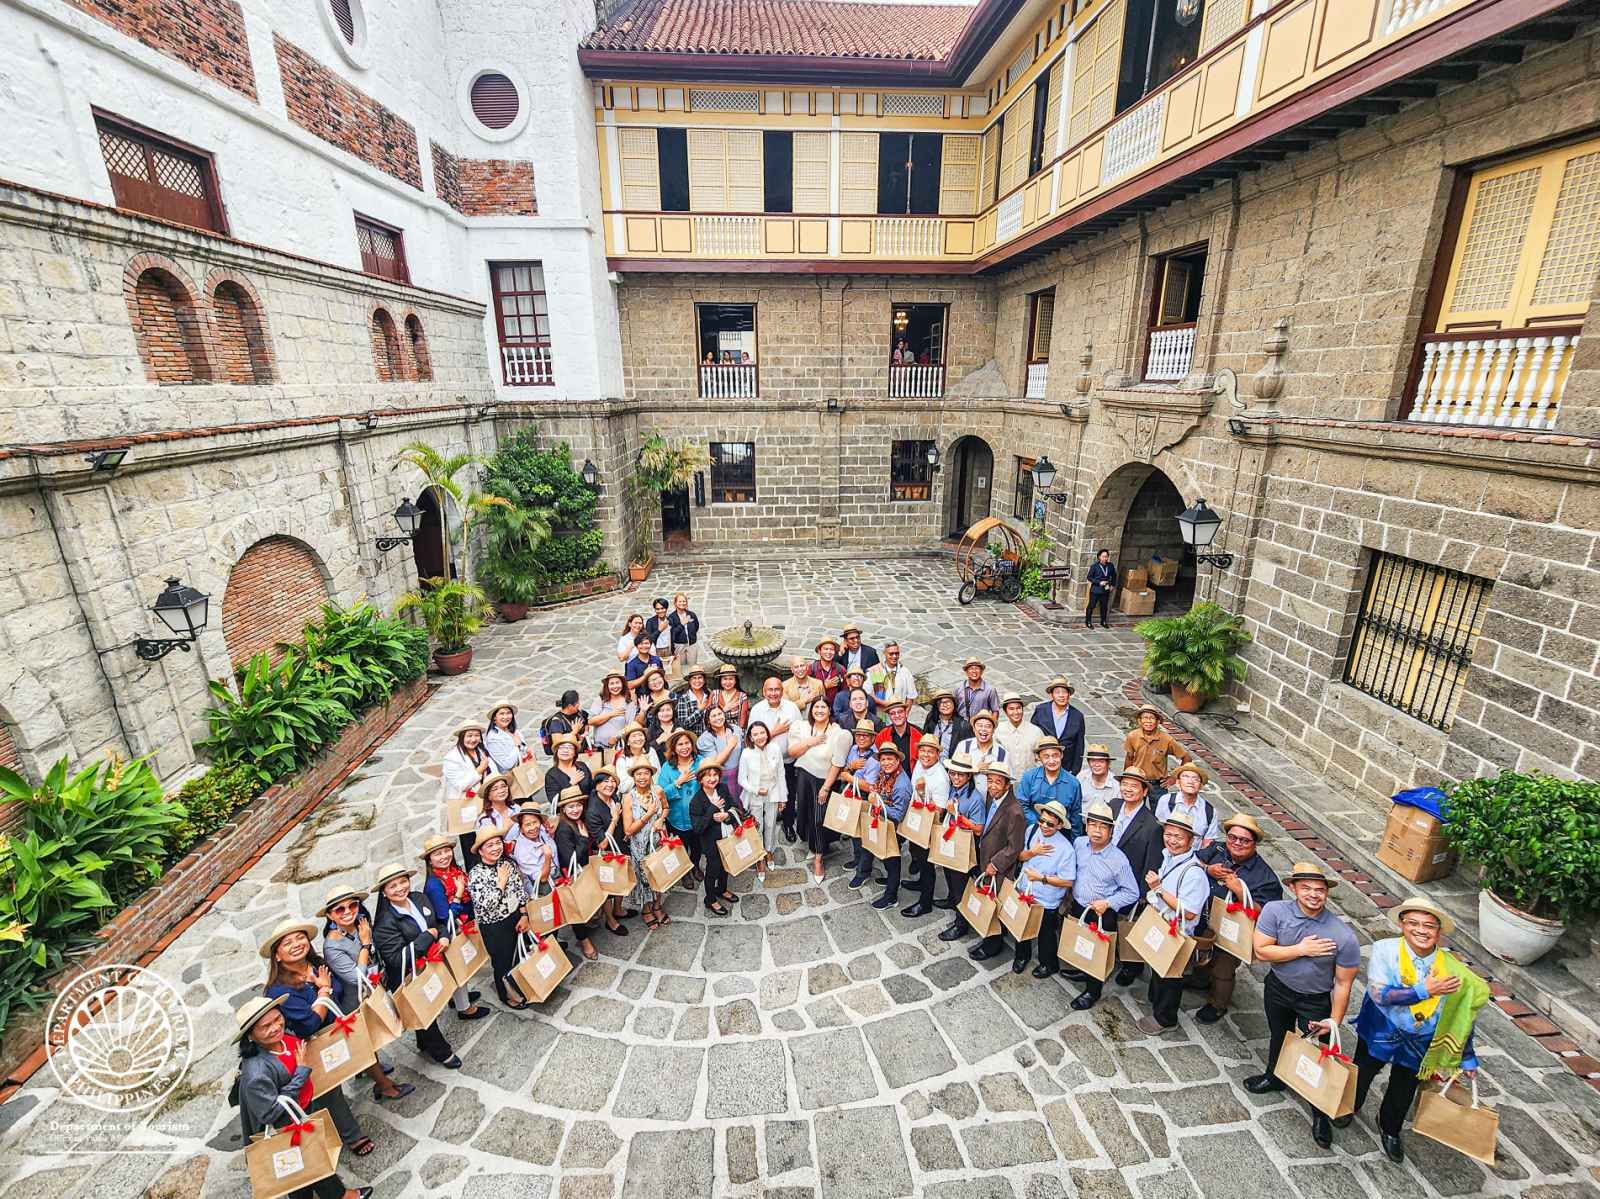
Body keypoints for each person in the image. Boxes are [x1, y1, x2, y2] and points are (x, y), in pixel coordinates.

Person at [1350, 896, 1487, 1164]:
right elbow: (1379, 994)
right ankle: (1348, 1105)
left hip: (1421, 1038)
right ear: (1402, 924)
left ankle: (1389, 1126)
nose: (1421, 930)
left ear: (1439, 932)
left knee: (1405, 1085)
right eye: (1413, 923)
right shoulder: (1384, 950)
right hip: (1381, 1026)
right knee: (1363, 1070)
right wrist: (1426, 990)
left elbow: (1463, 1015)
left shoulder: (1454, 970)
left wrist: (1467, 1056)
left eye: (1429, 925)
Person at [1246, 862, 1363, 1150]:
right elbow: (1261, 951)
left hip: (1314, 1000)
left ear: (1327, 894)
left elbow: (1343, 983)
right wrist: (1301, 949)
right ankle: (1275, 1076)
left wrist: (1334, 1021)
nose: (1313, 894)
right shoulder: (1275, 911)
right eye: (1306, 888)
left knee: (1318, 1053)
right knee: (1279, 1034)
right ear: (1294, 888)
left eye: (1319, 890)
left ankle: (1320, 1111)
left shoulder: (1342, 935)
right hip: (1279, 988)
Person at [259, 917, 399, 1138]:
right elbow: (309, 1025)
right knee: (330, 1091)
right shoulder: (278, 991)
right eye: (287, 943)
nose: (296, 944)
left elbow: (340, 988)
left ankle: (378, 1079)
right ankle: (352, 1135)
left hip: (336, 1027)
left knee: (361, 1047)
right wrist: (324, 990)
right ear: (277, 955)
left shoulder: (316, 963)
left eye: (300, 938)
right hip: (314, 1045)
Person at [228, 995, 375, 1199]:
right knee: (307, 1160)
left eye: (277, 1019)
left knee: (301, 1169)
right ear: (251, 1036)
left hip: (302, 1110)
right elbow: (269, 1113)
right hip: (285, 1125)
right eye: (265, 1026)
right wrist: (301, 1072)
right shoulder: (256, 1073)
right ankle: (341, 1196)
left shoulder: (282, 1038)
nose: (275, 1027)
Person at [317, 885, 411, 1103]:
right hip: (354, 1002)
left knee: (372, 1037)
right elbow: (357, 977)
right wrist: (366, 943)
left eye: (352, 905)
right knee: (365, 1043)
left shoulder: (361, 924)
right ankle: (384, 1086)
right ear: (330, 915)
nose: (348, 911)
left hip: (372, 993)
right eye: (340, 910)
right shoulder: (332, 946)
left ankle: (367, 1068)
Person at [1192, 813, 1284, 1024]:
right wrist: (1208, 869)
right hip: (1206, 917)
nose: (1237, 843)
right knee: (1202, 952)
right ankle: (1200, 980)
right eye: (1233, 837)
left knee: (1223, 967)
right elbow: (1193, 859)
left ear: (1254, 844)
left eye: (1244, 840)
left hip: (1233, 928)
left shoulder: (1265, 876)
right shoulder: (1217, 849)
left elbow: (1267, 914)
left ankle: (1217, 1004)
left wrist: (1240, 891)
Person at [370, 862, 463, 1067]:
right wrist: (427, 937)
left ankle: (423, 1042)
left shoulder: (419, 898)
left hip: (430, 964)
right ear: (384, 892)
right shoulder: (384, 923)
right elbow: (395, 959)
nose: (400, 888)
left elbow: (438, 923)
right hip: (409, 975)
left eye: (403, 881)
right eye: (392, 886)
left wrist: (444, 936)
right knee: (424, 1012)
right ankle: (442, 1052)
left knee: (432, 1005)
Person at [1134, 811, 1212, 1037]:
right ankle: (1156, 1001)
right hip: (1163, 922)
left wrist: (1158, 888)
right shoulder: (1169, 856)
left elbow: (1188, 912)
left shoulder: (1194, 873)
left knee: (1171, 976)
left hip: (1178, 931)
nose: (1172, 840)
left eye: (1178, 837)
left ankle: (1165, 1018)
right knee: (1159, 968)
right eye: (1168, 834)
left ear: (1191, 840)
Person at [938, 761, 1025, 959]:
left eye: (998, 782)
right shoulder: (990, 797)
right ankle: (974, 928)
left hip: (997, 865)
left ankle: (993, 945)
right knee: (982, 897)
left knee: (994, 903)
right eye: (990, 781)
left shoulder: (1015, 811)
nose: (993, 786)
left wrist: (996, 864)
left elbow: (1015, 847)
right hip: (982, 856)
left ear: (1007, 785)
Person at [1063, 801, 1141, 1008]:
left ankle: (1092, 991)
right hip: (1079, 905)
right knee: (1081, 943)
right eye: (1093, 824)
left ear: (1111, 831)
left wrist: (1108, 902)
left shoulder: (1118, 859)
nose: (1097, 831)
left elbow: (1132, 892)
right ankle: (1082, 969)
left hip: (1101, 912)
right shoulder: (1079, 843)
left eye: (1103, 827)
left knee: (1097, 952)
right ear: (1086, 825)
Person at [420, 832, 489, 1021]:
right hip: (453, 930)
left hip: (465, 922)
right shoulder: (434, 884)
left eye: (446, 851)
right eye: (437, 854)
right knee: (457, 965)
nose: (444, 857)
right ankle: (464, 1008)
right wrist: (458, 893)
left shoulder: (454, 871)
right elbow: (444, 915)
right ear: (429, 859)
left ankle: (457, 999)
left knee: (461, 964)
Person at [1110, 766, 1165, 989]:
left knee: (1129, 925)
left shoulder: (1151, 825)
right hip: (1106, 875)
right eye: (1125, 784)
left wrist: (1143, 893)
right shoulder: (1113, 806)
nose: (1128, 789)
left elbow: (1152, 861)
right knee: (1109, 920)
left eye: (1134, 786)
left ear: (1144, 791)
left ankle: (1131, 966)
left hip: (1130, 882)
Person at [466, 824, 531, 1009]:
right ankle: (506, 995)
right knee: (502, 961)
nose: (496, 848)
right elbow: (486, 904)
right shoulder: (476, 875)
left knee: (519, 954)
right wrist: (500, 883)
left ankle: (522, 985)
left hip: (515, 917)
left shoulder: (508, 863)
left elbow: (519, 891)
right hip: (495, 926)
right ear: (480, 851)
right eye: (489, 846)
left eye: (497, 843)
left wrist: (524, 914)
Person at [1011, 799, 1077, 977]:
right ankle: (1021, 956)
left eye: (1050, 824)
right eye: (1042, 821)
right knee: (1021, 925)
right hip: (1025, 890)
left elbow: (1068, 881)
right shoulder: (1031, 830)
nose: (1044, 826)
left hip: (1046, 899)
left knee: (1045, 933)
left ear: (1059, 825)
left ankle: (1048, 964)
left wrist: (1042, 878)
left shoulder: (1066, 849)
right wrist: (1033, 852)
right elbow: (1020, 856)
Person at [790, 696, 850, 883]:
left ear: (829, 710)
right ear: (811, 709)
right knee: (805, 814)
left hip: (823, 780)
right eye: (816, 707)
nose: (819, 710)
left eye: (823, 707)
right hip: (803, 776)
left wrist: (826, 788)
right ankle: (814, 846)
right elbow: (792, 752)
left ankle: (818, 859)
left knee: (819, 818)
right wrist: (811, 741)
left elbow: (837, 763)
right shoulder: (802, 727)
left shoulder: (838, 733)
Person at [849, 742, 913, 910]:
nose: (886, 762)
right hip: (881, 822)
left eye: (890, 759)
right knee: (876, 851)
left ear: (898, 760)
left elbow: (899, 814)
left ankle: (891, 896)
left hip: (892, 828)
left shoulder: (902, 785)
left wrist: (878, 803)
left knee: (891, 860)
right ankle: (886, 880)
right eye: (883, 759)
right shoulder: (885, 774)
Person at [747, 676, 802, 842]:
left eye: (776, 689)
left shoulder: (792, 709)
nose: (773, 693)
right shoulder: (757, 710)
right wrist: (775, 732)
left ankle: (787, 823)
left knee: (789, 794)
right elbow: (751, 738)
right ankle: (763, 826)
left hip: (787, 761)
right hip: (764, 762)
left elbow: (800, 732)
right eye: (769, 690)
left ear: (782, 691)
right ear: (764, 692)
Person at [902, 737, 951, 917]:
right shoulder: (920, 765)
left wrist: (923, 798)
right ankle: (921, 882)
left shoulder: (940, 777)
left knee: (926, 861)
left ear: (938, 754)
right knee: (916, 853)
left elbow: (939, 811)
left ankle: (925, 902)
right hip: (916, 818)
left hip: (929, 824)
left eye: (931, 751)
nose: (926, 754)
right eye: (923, 750)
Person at [552, 788, 603, 961]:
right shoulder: (563, 829)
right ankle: (584, 940)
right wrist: (582, 838)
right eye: (570, 806)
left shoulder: (578, 821)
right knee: (574, 908)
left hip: (583, 869)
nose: (575, 809)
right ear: (563, 809)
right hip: (572, 874)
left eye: (578, 805)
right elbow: (569, 857)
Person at [689, 761, 744, 916]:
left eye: (715, 775)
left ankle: (722, 889)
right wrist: (712, 810)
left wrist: (727, 815)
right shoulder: (696, 801)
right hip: (711, 843)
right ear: (700, 780)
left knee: (725, 866)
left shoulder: (722, 788)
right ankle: (710, 898)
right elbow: (698, 828)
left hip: (728, 836)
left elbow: (734, 807)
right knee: (713, 869)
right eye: (708, 776)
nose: (712, 779)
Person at [584, 766, 633, 937]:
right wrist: (614, 819)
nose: (610, 785)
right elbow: (603, 844)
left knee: (622, 880)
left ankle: (618, 909)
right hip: (606, 854)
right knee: (607, 888)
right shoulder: (592, 811)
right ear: (596, 785)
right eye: (605, 781)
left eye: (613, 781)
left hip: (621, 845)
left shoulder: (613, 797)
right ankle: (611, 920)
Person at [623, 756, 670, 929]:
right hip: (639, 846)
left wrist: (660, 819)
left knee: (659, 874)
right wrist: (649, 814)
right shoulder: (629, 798)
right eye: (638, 774)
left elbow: (666, 808)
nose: (642, 777)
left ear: (651, 775)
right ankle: (646, 909)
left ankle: (657, 906)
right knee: (644, 879)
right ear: (633, 777)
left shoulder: (658, 791)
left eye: (646, 773)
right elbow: (628, 830)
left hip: (658, 842)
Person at [737, 720, 786, 879]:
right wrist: (756, 789)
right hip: (755, 794)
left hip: (773, 792)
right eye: (755, 734)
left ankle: (769, 851)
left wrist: (782, 797)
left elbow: (780, 774)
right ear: (750, 737)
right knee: (757, 826)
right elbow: (741, 780)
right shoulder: (746, 753)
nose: (759, 736)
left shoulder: (775, 748)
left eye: (762, 732)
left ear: (767, 733)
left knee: (771, 824)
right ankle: (759, 857)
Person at [656, 728, 704, 881]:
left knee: (697, 846)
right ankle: (684, 872)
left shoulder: (700, 762)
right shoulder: (667, 767)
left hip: (698, 817)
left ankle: (695, 865)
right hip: (676, 818)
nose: (684, 747)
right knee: (680, 846)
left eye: (687, 743)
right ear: (674, 749)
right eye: (680, 744)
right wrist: (678, 782)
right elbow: (661, 793)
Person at [1015, 736, 1083, 835]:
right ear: (1039, 758)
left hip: (1062, 833)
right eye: (1046, 756)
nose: (1051, 761)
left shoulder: (1073, 783)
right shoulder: (1029, 777)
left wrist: (1075, 841)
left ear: (1061, 755)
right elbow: (1021, 804)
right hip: (1033, 830)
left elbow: (1075, 816)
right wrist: (1040, 824)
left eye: (1055, 755)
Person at [1154, 762, 1222, 848]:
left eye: (1195, 779)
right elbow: (1159, 830)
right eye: (1185, 777)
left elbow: (1208, 842)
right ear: (1178, 783)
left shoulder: (1210, 811)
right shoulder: (1166, 800)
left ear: (1201, 786)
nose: (1190, 782)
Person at [1123, 704, 1191, 788]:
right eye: (1145, 718)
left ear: (1158, 721)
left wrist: (1174, 777)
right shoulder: (1132, 736)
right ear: (1139, 721)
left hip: (1158, 784)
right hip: (1138, 780)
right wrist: (1126, 777)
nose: (1148, 721)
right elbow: (1129, 757)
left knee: (1160, 801)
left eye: (1152, 718)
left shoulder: (1167, 739)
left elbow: (1187, 757)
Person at [1029, 677, 1086, 774]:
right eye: (1057, 692)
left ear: (1069, 695)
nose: (1061, 695)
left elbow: (1079, 745)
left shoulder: (1077, 716)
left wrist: (1075, 771)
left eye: (1064, 692)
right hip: (1042, 765)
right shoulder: (1041, 710)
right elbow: (1031, 735)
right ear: (1051, 695)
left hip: (1065, 767)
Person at [698, 703, 743, 802]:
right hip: (722, 777)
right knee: (729, 805)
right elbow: (715, 763)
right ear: (708, 720)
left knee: (743, 804)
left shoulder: (735, 729)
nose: (718, 717)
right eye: (713, 716)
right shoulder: (705, 738)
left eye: (720, 714)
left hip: (740, 774)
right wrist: (730, 745)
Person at [509, 807, 558, 896]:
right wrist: (547, 856)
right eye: (527, 825)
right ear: (521, 828)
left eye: (535, 822)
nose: (533, 827)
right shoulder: (521, 851)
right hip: (545, 888)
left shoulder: (542, 833)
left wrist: (551, 835)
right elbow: (542, 879)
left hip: (557, 876)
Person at [441, 721, 492, 801]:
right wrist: (480, 770)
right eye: (469, 736)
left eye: (477, 735)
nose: (473, 739)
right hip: (465, 801)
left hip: (484, 798)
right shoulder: (451, 758)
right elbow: (460, 785)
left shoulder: (480, 750)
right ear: (462, 737)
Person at [588, 670, 634, 751]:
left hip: (618, 747)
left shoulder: (629, 703)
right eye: (611, 683)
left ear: (622, 684)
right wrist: (611, 714)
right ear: (607, 686)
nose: (615, 686)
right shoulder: (601, 700)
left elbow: (630, 726)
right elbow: (591, 721)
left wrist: (617, 736)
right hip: (598, 747)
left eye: (617, 683)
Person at [613, 723, 660, 798]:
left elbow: (657, 777)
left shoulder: (651, 752)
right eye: (634, 736)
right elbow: (623, 788)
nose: (638, 738)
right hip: (630, 797)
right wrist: (637, 774)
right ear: (627, 742)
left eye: (640, 735)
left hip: (651, 794)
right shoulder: (622, 760)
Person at [543, 733, 595, 802]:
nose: (565, 750)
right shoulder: (551, 775)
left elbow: (592, 789)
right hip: (565, 811)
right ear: (557, 751)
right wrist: (571, 783)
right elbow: (553, 800)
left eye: (570, 748)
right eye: (562, 747)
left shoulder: (582, 766)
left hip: (588, 809)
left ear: (574, 753)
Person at [483, 702, 530, 777]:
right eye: (502, 714)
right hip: (511, 778)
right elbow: (506, 764)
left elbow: (524, 749)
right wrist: (517, 746)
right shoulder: (493, 738)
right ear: (494, 717)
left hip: (525, 771)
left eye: (508, 713)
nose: (506, 717)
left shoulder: (514, 731)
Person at [874, 699, 921, 772]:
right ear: (889, 716)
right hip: (890, 778)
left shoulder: (918, 734)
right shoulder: (882, 735)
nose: (897, 715)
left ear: (906, 713)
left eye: (900, 712)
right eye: (892, 713)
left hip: (913, 779)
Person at [996, 694, 1043, 765]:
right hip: (1006, 774)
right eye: (1011, 709)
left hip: (1030, 774)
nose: (1016, 712)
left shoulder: (1035, 731)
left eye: (1018, 708)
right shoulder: (998, 731)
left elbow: (1042, 757)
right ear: (1005, 711)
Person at [867, 642, 915, 708]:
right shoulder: (873, 671)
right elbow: (868, 693)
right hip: (879, 713)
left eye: (897, 653)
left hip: (899, 714)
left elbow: (911, 696)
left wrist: (906, 714)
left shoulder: (905, 672)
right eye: (891, 654)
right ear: (884, 653)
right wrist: (885, 704)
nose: (894, 656)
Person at [953, 657, 998, 723]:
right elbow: (953, 708)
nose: (974, 671)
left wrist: (991, 726)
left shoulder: (990, 690)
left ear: (981, 671)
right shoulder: (958, 688)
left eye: (977, 668)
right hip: (961, 725)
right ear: (966, 672)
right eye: (971, 669)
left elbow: (995, 711)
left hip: (980, 727)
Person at [1076, 743, 1119, 810]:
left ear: (1108, 763)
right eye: (1093, 761)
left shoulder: (1116, 784)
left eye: (1101, 761)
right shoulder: (1081, 777)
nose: (1096, 765)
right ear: (1088, 762)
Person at [675, 664, 713, 734]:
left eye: (700, 678)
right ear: (689, 681)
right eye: (694, 678)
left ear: (704, 680)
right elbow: (683, 724)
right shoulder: (684, 698)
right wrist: (700, 710)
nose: (697, 681)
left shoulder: (709, 694)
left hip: (710, 736)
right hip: (694, 737)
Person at [710, 663, 750, 729]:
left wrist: (736, 734)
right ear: (720, 680)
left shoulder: (742, 696)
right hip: (716, 730)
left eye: (731, 679)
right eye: (725, 679)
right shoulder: (714, 694)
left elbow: (742, 721)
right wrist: (724, 710)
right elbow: (708, 716)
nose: (728, 682)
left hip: (734, 731)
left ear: (735, 681)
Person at [809, 637, 846, 706]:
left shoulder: (841, 669)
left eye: (831, 649)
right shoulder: (811, 668)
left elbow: (844, 692)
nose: (829, 652)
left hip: (834, 711)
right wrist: (824, 686)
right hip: (816, 710)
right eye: (826, 649)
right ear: (819, 651)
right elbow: (806, 692)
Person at [1086, 548, 1117, 628]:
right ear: (1099, 557)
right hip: (1095, 590)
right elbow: (1089, 577)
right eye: (1103, 556)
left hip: (1105, 590)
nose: (1105, 558)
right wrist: (1099, 582)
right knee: (1092, 605)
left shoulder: (1110, 566)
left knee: (1104, 606)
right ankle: (1088, 621)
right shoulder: (1094, 566)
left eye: (1106, 556)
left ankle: (1103, 621)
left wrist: (1112, 585)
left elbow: (1114, 576)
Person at [669, 592, 700, 666]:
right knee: (681, 666)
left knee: (693, 666)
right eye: (680, 601)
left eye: (684, 601)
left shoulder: (691, 614)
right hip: (679, 645)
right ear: (675, 603)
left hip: (692, 644)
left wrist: (692, 636)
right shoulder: (671, 617)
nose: (682, 603)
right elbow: (672, 633)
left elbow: (696, 626)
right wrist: (682, 624)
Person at [643, 597, 674, 665]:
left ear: (666, 609)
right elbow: (648, 639)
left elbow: (674, 636)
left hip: (668, 649)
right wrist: (660, 630)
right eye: (657, 609)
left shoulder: (670, 620)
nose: (660, 611)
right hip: (656, 650)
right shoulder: (650, 622)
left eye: (662, 608)